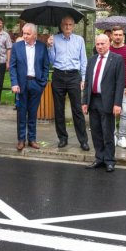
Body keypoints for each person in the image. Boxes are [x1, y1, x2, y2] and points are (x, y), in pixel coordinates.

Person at [82, 34, 124, 172]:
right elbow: (87, 81)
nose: (99, 46)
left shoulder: (117, 59)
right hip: (93, 100)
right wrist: (84, 101)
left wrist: (117, 103)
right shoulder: (92, 59)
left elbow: (119, 83)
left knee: (108, 132)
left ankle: (110, 160)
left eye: (102, 44)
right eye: (98, 44)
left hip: (108, 101)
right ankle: (99, 158)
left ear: (109, 43)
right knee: (96, 132)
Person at [48, 15, 90, 151]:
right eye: (65, 24)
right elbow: (51, 61)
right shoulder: (54, 39)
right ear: (61, 25)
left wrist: (84, 78)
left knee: (77, 109)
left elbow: (83, 60)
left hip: (73, 76)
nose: (67, 27)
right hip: (58, 75)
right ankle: (62, 138)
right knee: (59, 109)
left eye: (70, 24)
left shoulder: (79, 40)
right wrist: (49, 47)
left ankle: (83, 140)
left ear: (73, 26)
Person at [10, 23, 49, 151]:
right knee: (21, 112)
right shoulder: (17, 46)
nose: (25, 36)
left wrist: (42, 83)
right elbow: (13, 66)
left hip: (36, 83)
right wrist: (14, 83)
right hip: (21, 84)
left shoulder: (42, 47)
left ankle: (32, 139)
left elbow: (45, 66)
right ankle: (21, 139)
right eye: (24, 33)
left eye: (28, 33)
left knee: (32, 113)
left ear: (35, 35)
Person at [0, 17, 13, 106]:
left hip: (1, 61)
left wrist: (8, 61)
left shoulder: (5, 35)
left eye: (1, 23)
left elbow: (9, 48)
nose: (0, 24)